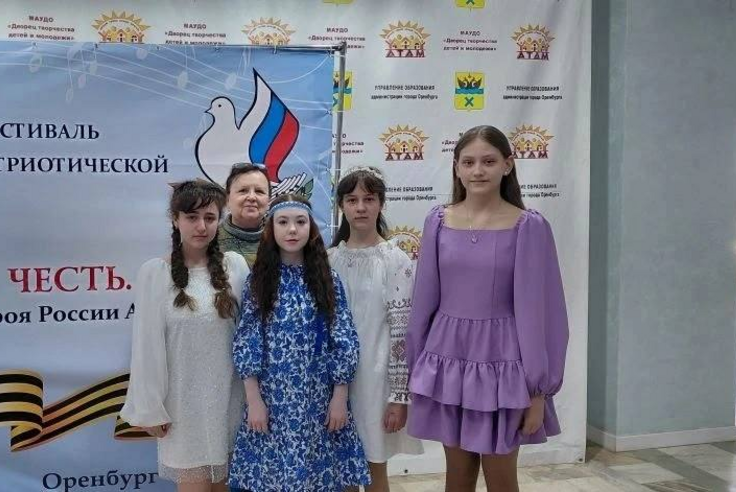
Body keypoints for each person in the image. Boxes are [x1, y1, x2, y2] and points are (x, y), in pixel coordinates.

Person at [406, 125, 569, 492]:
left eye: (488, 161)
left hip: (503, 367)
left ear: (507, 165)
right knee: (457, 479)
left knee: (501, 480)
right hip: (447, 361)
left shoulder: (529, 226)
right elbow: (424, 301)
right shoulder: (437, 221)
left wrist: (538, 391)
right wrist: (418, 370)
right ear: (456, 167)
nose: (478, 170)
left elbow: (543, 314)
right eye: (468, 162)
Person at [228, 193, 370, 492]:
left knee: (319, 480)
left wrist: (339, 397)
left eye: (300, 222)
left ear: (311, 228)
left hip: (319, 400)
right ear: (271, 229)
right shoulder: (258, 281)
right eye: (283, 222)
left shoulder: (328, 279)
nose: (292, 230)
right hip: (273, 401)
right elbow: (248, 340)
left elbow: (343, 336)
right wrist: (254, 401)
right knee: (275, 479)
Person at [120, 180, 251, 492]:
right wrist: (150, 408)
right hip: (182, 408)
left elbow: (250, 337)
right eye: (192, 217)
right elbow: (146, 347)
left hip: (231, 402)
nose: (201, 226)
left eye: (210, 217)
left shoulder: (235, 266)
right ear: (175, 219)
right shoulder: (155, 273)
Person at [328, 166, 423, 492]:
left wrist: (399, 397)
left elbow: (402, 333)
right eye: (352, 200)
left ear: (381, 203)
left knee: (372, 469)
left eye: (369, 199)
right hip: (333, 383)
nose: (360, 207)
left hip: (375, 382)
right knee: (339, 470)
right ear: (341, 205)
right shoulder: (329, 260)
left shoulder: (395, 260)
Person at [217, 163, 270, 265]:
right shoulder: (210, 240)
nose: (251, 197)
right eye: (243, 191)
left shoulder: (281, 239)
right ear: (227, 199)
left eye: (259, 191)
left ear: (269, 201)